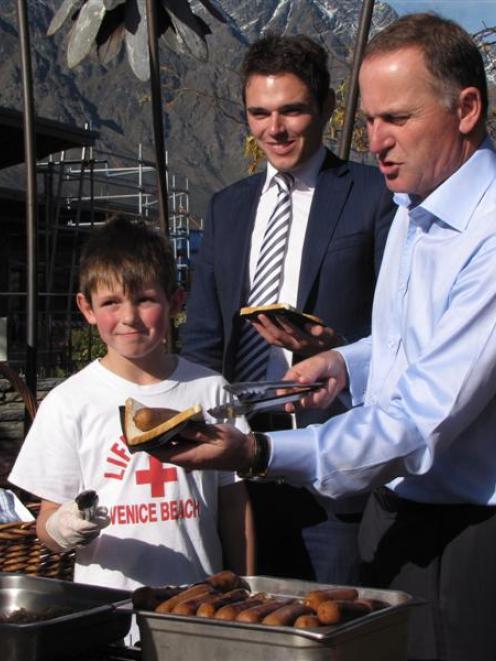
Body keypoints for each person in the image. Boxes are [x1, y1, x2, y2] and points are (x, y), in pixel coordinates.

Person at [153, 13, 496, 661]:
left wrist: (258, 451)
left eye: (396, 118)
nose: (376, 142)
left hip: (457, 529)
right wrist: (345, 363)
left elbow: (423, 416)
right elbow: (403, 346)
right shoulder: (412, 210)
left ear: (467, 108)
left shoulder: (478, 229)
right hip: (384, 513)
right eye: (370, 123)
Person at [181, 33, 395, 582]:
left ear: (325, 108)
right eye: (259, 112)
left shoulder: (375, 196)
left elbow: (401, 329)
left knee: (333, 625)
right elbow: (204, 340)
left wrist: (336, 349)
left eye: (292, 110)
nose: (274, 129)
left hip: (334, 464)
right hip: (238, 462)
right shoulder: (228, 208)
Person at [9, 217, 255, 643]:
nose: (129, 318)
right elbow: (45, 525)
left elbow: (235, 506)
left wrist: (248, 590)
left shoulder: (210, 390)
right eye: (111, 303)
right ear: (86, 308)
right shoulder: (70, 402)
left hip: (202, 610)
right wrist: (63, 526)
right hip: (107, 617)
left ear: (176, 301)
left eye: (144, 300)